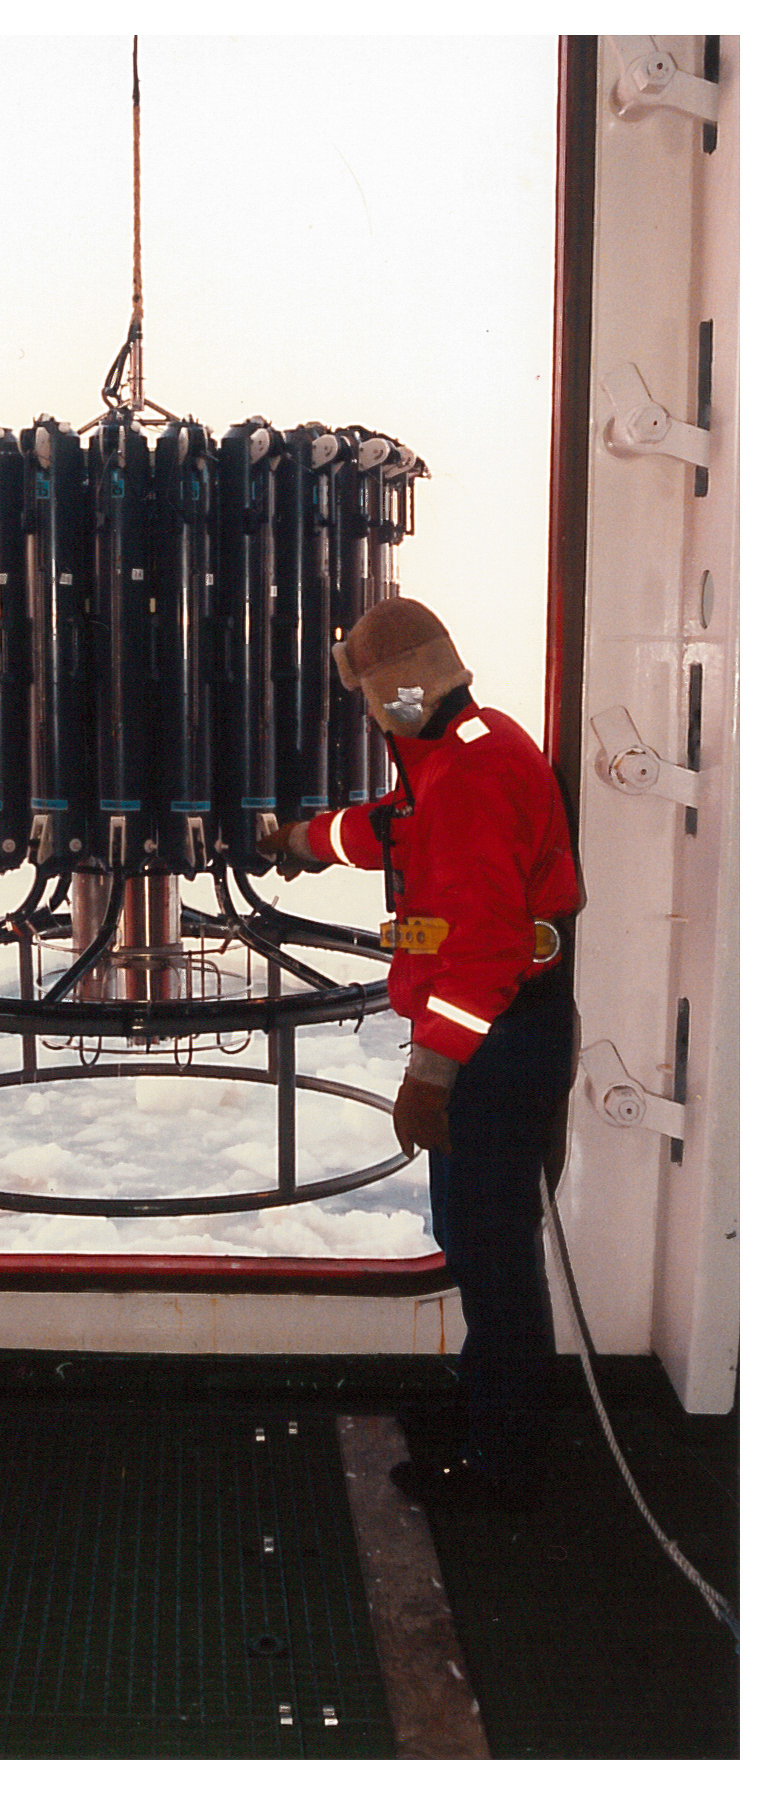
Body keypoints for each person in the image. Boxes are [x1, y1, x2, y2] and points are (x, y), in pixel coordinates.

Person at [260, 597, 581, 1511]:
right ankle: (490, 1411)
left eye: (368, 692)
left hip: (494, 1040)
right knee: (477, 1241)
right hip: (495, 1032)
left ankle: (503, 1460)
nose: (366, 710)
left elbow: (482, 956)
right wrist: (298, 840)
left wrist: (429, 1078)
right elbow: (393, 828)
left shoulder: (473, 774)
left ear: (397, 691)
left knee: (490, 1248)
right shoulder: (458, 748)